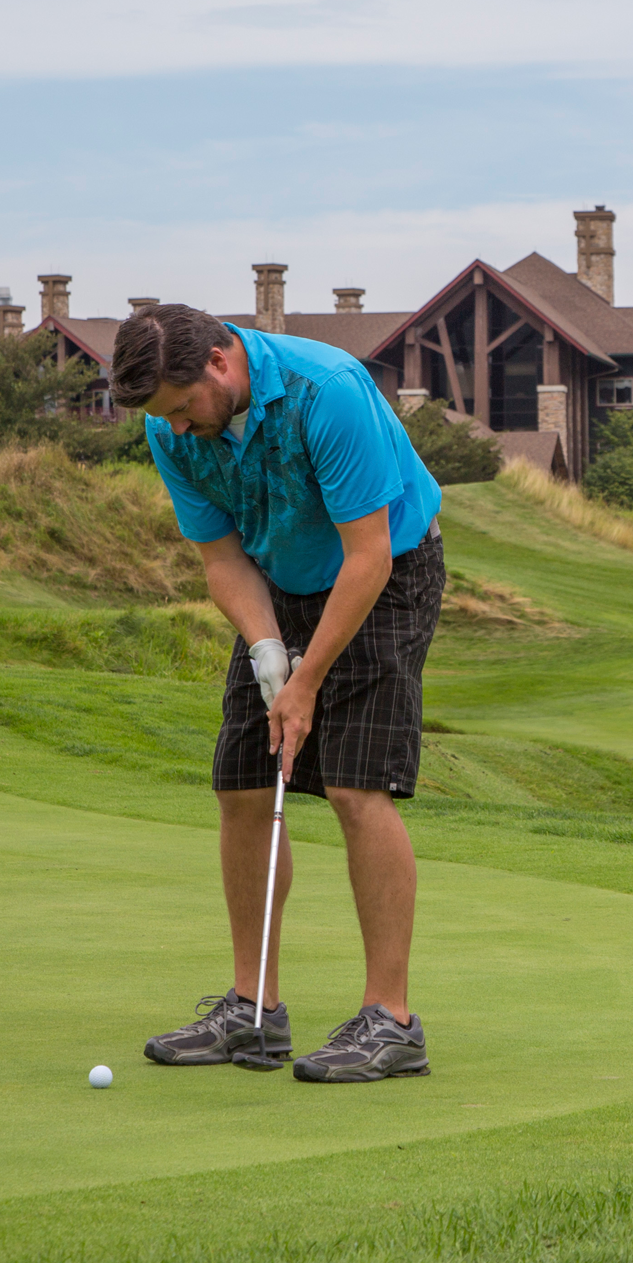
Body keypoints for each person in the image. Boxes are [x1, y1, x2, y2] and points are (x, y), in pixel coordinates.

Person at [110, 303, 445, 1083]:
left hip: (384, 573)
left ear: (221, 365)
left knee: (359, 786)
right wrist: (267, 655)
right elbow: (222, 558)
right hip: (276, 580)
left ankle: (391, 1020)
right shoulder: (171, 426)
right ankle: (254, 1010)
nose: (177, 429)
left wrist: (308, 681)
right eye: (163, 417)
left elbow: (367, 556)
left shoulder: (326, 389)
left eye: (182, 407)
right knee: (244, 784)